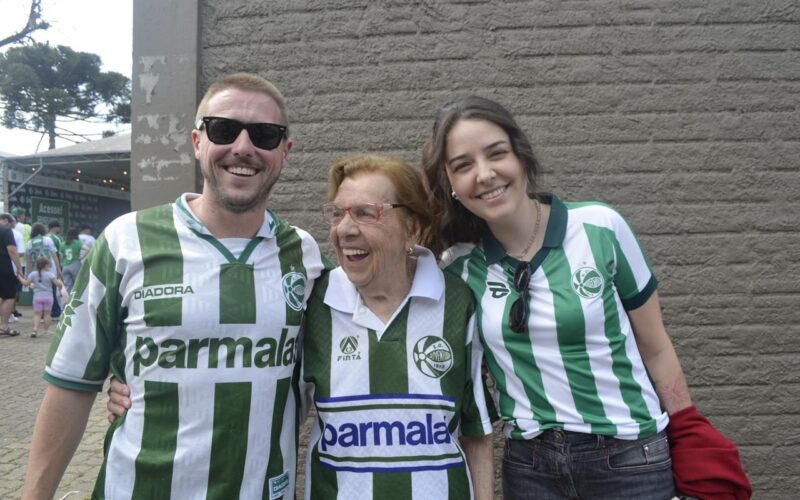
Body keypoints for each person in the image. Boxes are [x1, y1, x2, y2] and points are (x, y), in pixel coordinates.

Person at [107, 154, 497, 500]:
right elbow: (248, 371)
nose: (344, 229)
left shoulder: (457, 300)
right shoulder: (313, 301)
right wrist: (137, 385)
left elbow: (476, 432)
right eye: (337, 213)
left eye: (365, 213)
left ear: (412, 228)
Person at [421, 95, 751, 499]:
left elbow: (656, 347)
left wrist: (688, 429)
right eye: (463, 166)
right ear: (450, 185)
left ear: (521, 156)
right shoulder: (457, 267)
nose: (485, 174)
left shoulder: (600, 228)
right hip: (531, 467)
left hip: (630, 457)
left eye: (497, 153)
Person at [23, 72, 326, 499]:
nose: (243, 147)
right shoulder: (126, 240)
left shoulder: (305, 256)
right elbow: (72, 383)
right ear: (197, 141)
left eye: (264, 134)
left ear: (285, 151)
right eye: (223, 129)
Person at [19, 256, 64, 337]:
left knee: (37, 314)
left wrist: (19, 277)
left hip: (37, 297)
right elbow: (58, 285)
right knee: (47, 314)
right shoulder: (50, 275)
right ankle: (46, 331)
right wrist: (60, 284)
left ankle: (35, 330)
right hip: (48, 297)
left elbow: (26, 283)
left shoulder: (33, 274)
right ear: (46, 265)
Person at [0, 213, 23, 337]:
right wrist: (19, 267)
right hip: (3, 267)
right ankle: (3, 326)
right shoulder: (6, 231)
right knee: (8, 296)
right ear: (3, 220)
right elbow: (12, 250)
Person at [60, 227, 88, 293]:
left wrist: (62, 264)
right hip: (75, 264)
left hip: (65, 266)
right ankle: (76, 298)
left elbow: (61, 256)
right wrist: (81, 257)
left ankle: (67, 299)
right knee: (77, 284)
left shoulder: (63, 244)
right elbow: (88, 249)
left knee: (67, 285)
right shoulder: (78, 242)